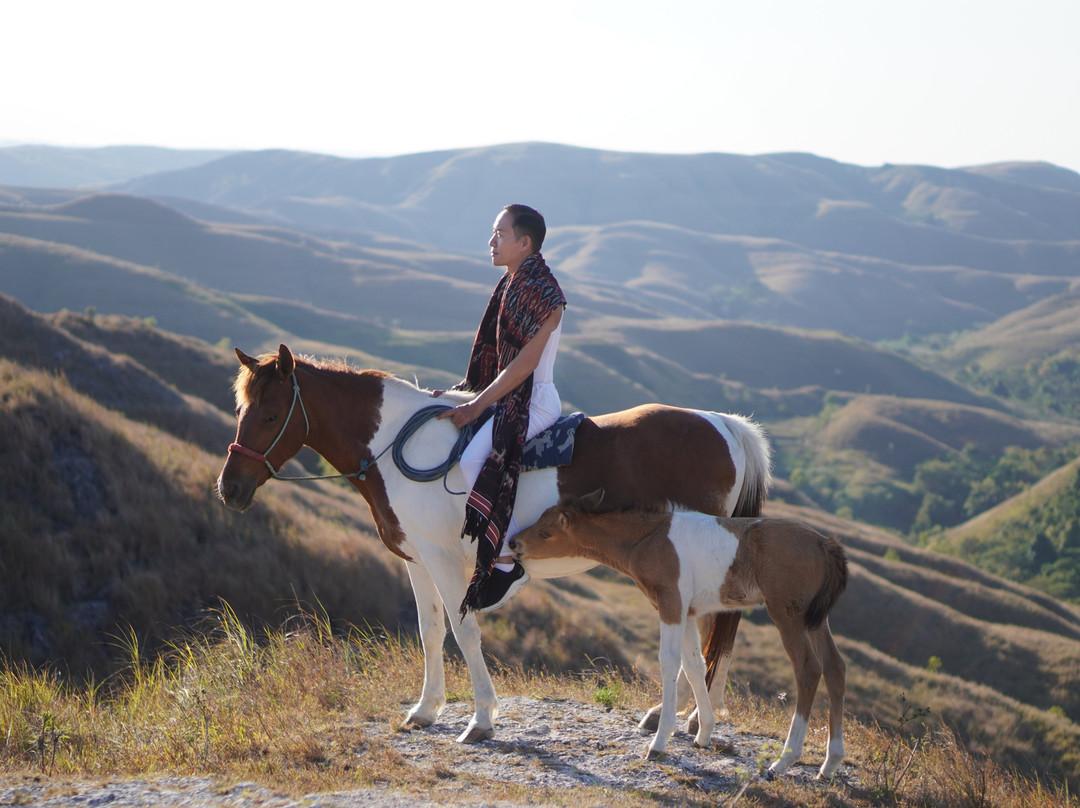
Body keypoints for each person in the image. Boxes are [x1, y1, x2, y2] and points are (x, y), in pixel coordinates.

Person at [436, 204, 566, 616]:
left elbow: (525, 364)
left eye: (500, 234)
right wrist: (463, 395)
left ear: (524, 243)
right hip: (509, 395)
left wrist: (477, 405)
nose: (491, 241)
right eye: (494, 233)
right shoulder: (512, 283)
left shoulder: (545, 294)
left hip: (534, 400)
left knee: (474, 460)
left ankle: (507, 561)